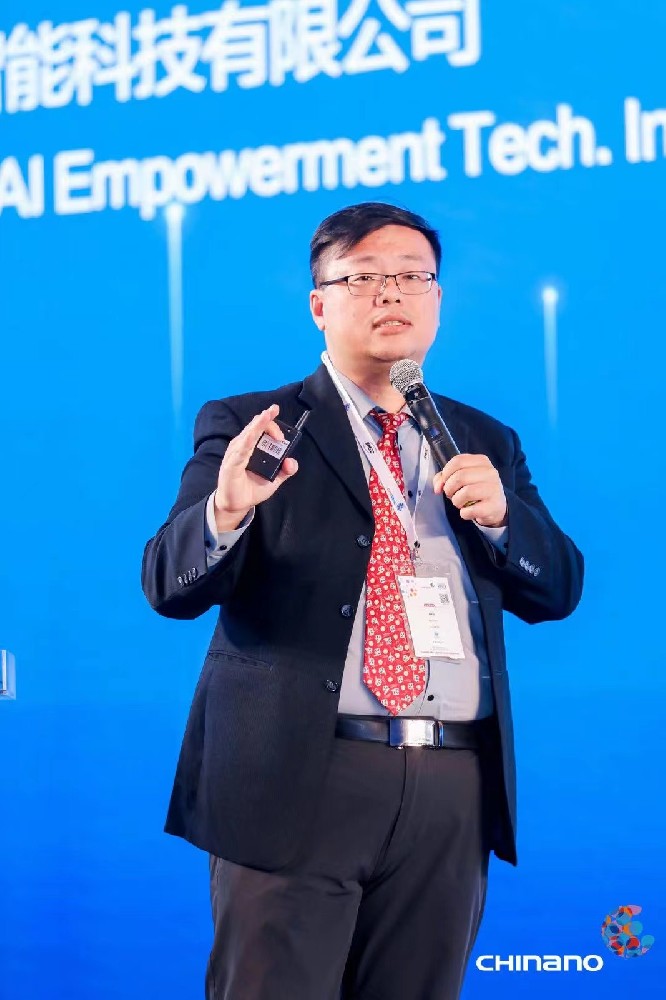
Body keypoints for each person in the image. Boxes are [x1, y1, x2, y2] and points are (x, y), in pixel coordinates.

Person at [141, 201, 583, 1000]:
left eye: (412, 277)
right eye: (364, 278)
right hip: (299, 777)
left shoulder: (484, 439)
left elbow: (557, 590)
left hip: (451, 781)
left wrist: (505, 520)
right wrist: (227, 509)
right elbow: (168, 585)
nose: (391, 294)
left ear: (438, 300)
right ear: (319, 304)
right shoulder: (258, 425)